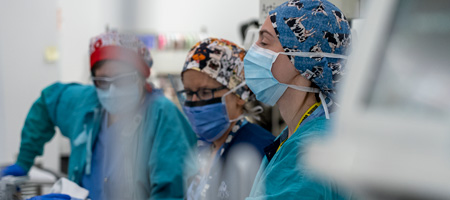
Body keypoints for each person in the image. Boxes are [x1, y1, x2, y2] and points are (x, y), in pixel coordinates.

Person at [0, 31, 197, 200]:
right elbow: (47, 102)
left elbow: (171, 192)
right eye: (102, 80)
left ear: (141, 75)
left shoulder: (162, 116)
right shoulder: (87, 101)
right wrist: (25, 160)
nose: (111, 90)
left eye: (122, 79)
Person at [243, 0, 352, 199]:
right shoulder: (297, 132)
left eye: (264, 43)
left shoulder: (310, 150)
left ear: (302, 60)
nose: (253, 50)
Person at [180, 38, 275, 200]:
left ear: (239, 95)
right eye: (189, 93)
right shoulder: (203, 147)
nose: (195, 102)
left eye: (204, 93)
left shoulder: (262, 150)